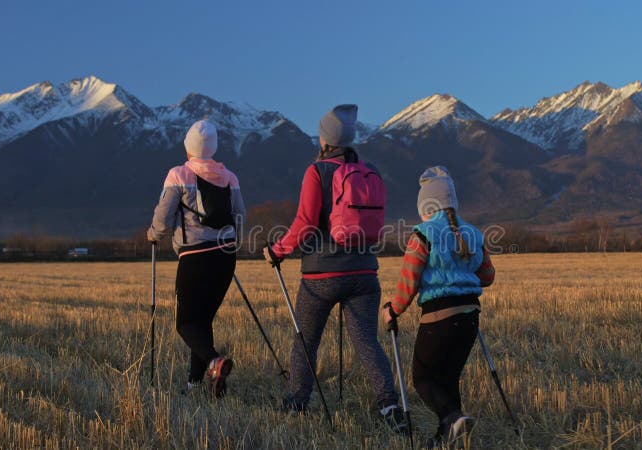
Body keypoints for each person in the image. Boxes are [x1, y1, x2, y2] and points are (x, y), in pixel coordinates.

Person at [263, 104, 406, 432]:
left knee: (306, 341)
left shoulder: (317, 172)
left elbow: (305, 224)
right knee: (367, 342)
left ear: (324, 138)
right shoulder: (370, 172)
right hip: (365, 273)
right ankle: (389, 405)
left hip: (322, 276)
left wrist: (277, 251)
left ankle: (297, 402)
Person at [381, 166, 496, 448]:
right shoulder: (474, 234)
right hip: (470, 317)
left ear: (425, 204)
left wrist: (392, 311)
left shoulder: (423, 234)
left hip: (438, 318)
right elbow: (487, 276)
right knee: (448, 379)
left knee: (423, 379)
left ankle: (453, 417)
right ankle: (446, 437)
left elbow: (409, 281)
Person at [148, 119, 246, 398]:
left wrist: (154, 235)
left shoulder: (179, 174)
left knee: (186, 323)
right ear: (212, 147)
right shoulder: (230, 177)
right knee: (202, 321)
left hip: (194, 257)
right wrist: (229, 242)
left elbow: (164, 219)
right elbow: (240, 215)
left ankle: (215, 362)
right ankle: (195, 384)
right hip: (226, 257)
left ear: (188, 146)